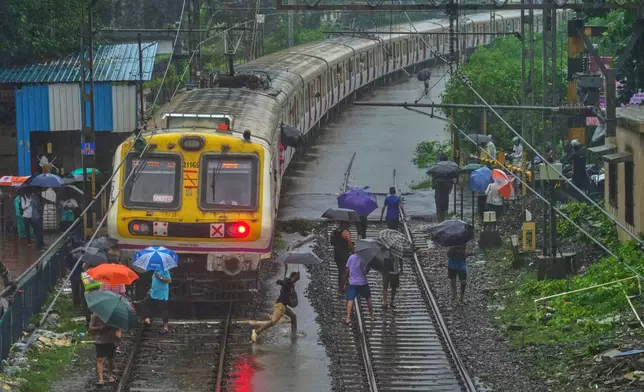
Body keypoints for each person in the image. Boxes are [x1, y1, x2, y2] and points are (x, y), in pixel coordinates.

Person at [251, 271, 300, 342]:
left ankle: (293, 334)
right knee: (273, 322)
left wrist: (280, 282)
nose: (299, 277)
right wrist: (280, 282)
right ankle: (256, 332)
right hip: (280, 305)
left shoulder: (291, 285)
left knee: (293, 316)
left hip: (284, 306)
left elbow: (283, 284)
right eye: (298, 276)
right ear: (294, 276)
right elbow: (284, 282)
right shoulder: (288, 282)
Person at [344, 253, 374, 324]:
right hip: (363, 282)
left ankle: (348, 318)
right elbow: (365, 272)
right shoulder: (365, 259)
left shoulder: (351, 257)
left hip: (353, 283)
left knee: (350, 299)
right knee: (368, 298)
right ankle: (372, 316)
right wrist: (368, 267)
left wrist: (346, 279)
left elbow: (347, 270)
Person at [89, 313, 118, 385]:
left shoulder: (112, 315)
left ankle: (110, 375)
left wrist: (117, 340)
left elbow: (117, 329)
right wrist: (99, 327)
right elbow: (91, 327)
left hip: (110, 340)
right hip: (100, 341)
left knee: (110, 359)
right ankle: (101, 379)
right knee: (99, 359)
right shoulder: (95, 316)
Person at [144, 269, 171, 334]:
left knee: (163, 310)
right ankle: (147, 321)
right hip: (154, 293)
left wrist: (160, 277)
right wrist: (151, 289)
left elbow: (169, 280)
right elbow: (155, 282)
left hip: (161, 294)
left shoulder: (165, 270)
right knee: (148, 306)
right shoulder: (155, 271)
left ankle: (165, 328)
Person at [330, 221, 353, 291]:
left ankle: (341, 285)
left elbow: (332, 243)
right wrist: (353, 251)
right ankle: (341, 288)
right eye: (348, 224)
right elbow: (350, 244)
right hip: (344, 254)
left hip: (336, 253)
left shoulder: (335, 232)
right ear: (345, 224)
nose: (349, 225)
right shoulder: (345, 232)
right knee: (344, 271)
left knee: (340, 271)